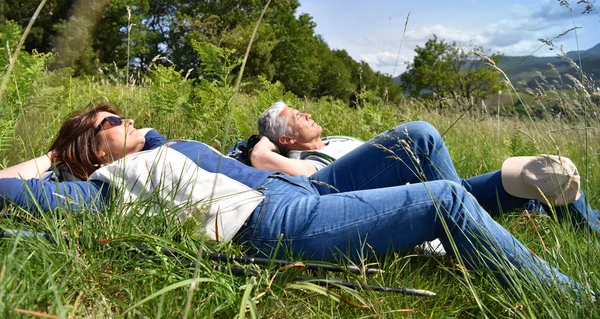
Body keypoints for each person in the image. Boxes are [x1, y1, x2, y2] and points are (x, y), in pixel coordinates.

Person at [0, 103, 593, 294]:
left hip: (306, 188)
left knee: (419, 136)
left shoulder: (153, 148)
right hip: (279, 222)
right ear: (90, 147)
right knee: (447, 200)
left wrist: (123, 138)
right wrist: (52, 159)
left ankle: (500, 212)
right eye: (112, 120)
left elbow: (152, 139)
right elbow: (12, 191)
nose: (131, 120)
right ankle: (577, 299)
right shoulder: (99, 190)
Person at [253, 101, 600, 236]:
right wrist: (262, 146)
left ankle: (591, 231)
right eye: (298, 117)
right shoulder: (306, 165)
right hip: (403, 203)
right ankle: (469, 229)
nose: (308, 114)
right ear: (285, 138)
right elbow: (270, 165)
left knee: (544, 173)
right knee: (420, 134)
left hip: (438, 189)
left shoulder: (339, 140)